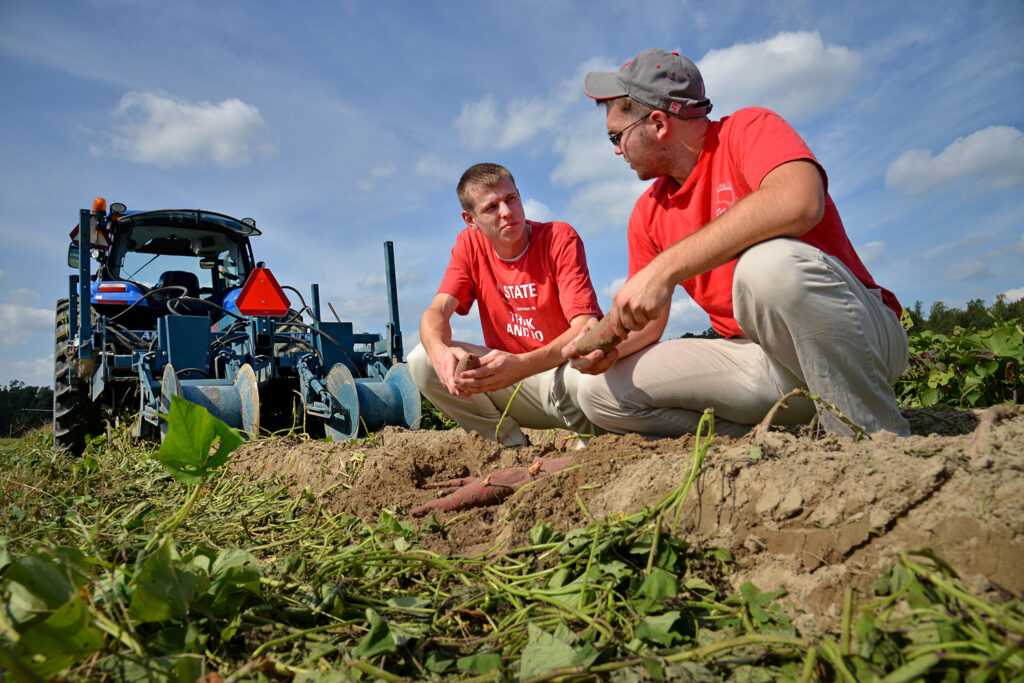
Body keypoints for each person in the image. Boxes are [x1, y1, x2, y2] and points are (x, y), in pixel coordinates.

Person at [567, 48, 910, 438]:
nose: (615, 149)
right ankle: (755, 444)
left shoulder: (748, 129)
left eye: (617, 136)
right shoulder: (647, 213)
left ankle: (870, 441)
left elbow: (800, 201)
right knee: (596, 393)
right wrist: (608, 348)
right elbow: (649, 323)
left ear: (658, 123)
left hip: (859, 338)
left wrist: (665, 268)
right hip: (761, 359)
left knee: (767, 266)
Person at [408, 163, 605, 447]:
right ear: (470, 219)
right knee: (421, 359)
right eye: (491, 207)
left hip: (563, 377)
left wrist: (522, 364)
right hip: (513, 387)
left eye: (511, 199)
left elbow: (586, 325)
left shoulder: (558, 238)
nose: (506, 212)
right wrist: (438, 352)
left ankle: (592, 443)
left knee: (588, 376)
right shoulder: (469, 245)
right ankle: (508, 446)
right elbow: (437, 311)